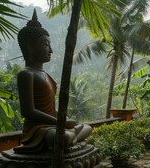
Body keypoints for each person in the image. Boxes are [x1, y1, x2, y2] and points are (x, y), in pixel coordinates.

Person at [14, 10, 92, 153]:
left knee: (87, 127)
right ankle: (70, 142)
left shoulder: (46, 75)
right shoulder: (26, 74)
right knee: (65, 137)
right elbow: (28, 111)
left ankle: (69, 142)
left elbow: (50, 110)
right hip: (38, 129)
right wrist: (59, 122)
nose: (50, 50)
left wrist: (63, 119)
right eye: (45, 44)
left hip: (53, 125)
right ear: (30, 46)